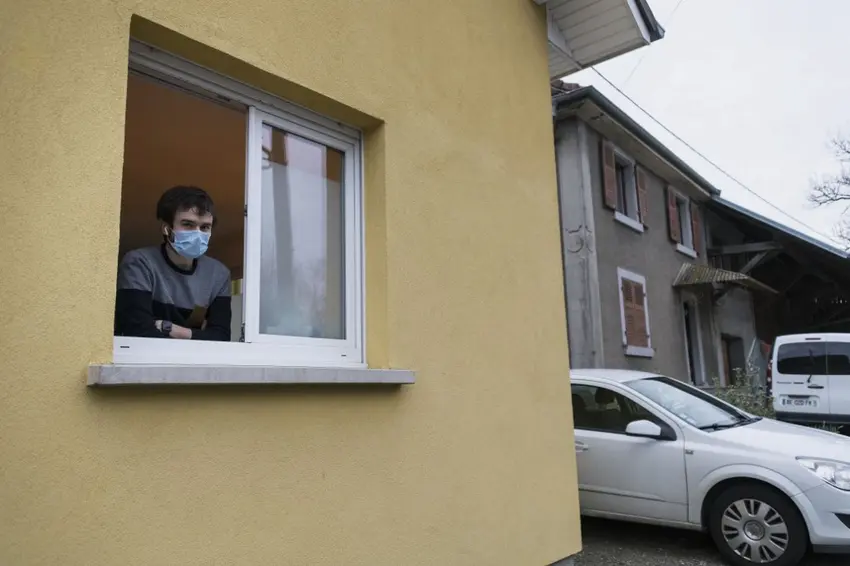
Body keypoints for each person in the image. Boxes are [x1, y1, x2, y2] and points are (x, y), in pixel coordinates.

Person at [115, 186, 232, 341]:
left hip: (192, 357)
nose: (197, 233)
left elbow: (221, 337)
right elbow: (137, 330)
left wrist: (171, 329)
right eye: (188, 224)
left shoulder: (219, 274)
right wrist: (197, 335)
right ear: (166, 229)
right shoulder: (139, 263)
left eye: (204, 227)